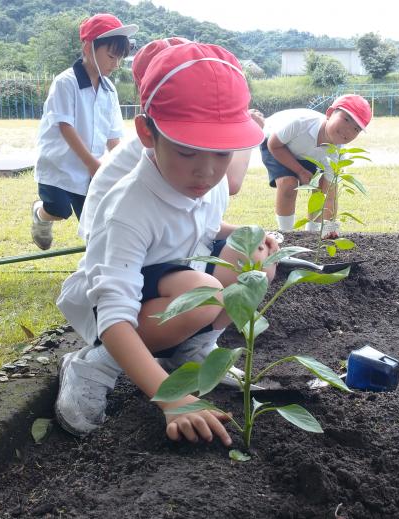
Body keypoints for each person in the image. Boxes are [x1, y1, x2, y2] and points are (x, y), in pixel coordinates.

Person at [56, 42, 279, 446]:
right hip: (118, 306)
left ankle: (192, 350)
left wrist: (249, 237)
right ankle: (95, 366)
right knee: (206, 294)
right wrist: (172, 400)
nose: (207, 171)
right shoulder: (127, 207)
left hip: (172, 277)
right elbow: (114, 315)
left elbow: (204, 225)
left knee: (255, 261)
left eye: (222, 153)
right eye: (187, 150)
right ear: (146, 133)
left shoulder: (204, 183)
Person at [76, 37, 263, 242]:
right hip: (125, 247)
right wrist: (244, 142)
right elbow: (232, 183)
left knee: (255, 255)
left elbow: (195, 222)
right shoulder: (160, 148)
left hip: (169, 243)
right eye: (187, 152)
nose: (206, 169)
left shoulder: (170, 144)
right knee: (195, 275)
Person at [30, 13, 138, 250]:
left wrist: (125, 167)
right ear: (89, 48)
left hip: (91, 172)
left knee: (94, 222)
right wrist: (92, 163)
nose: (115, 64)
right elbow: (65, 126)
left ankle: (96, 266)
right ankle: (40, 214)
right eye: (111, 56)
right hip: (58, 166)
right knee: (58, 210)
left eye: (119, 58)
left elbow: (113, 137)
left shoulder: (110, 90)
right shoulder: (65, 82)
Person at [260, 95, 371, 236]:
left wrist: (330, 227)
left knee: (321, 190)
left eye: (356, 129)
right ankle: (286, 234)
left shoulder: (337, 154)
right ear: (330, 113)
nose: (348, 130)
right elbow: (274, 145)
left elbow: (330, 195)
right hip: (278, 144)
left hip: (309, 154)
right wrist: (300, 171)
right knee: (288, 184)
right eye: (346, 119)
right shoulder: (300, 124)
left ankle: (312, 236)